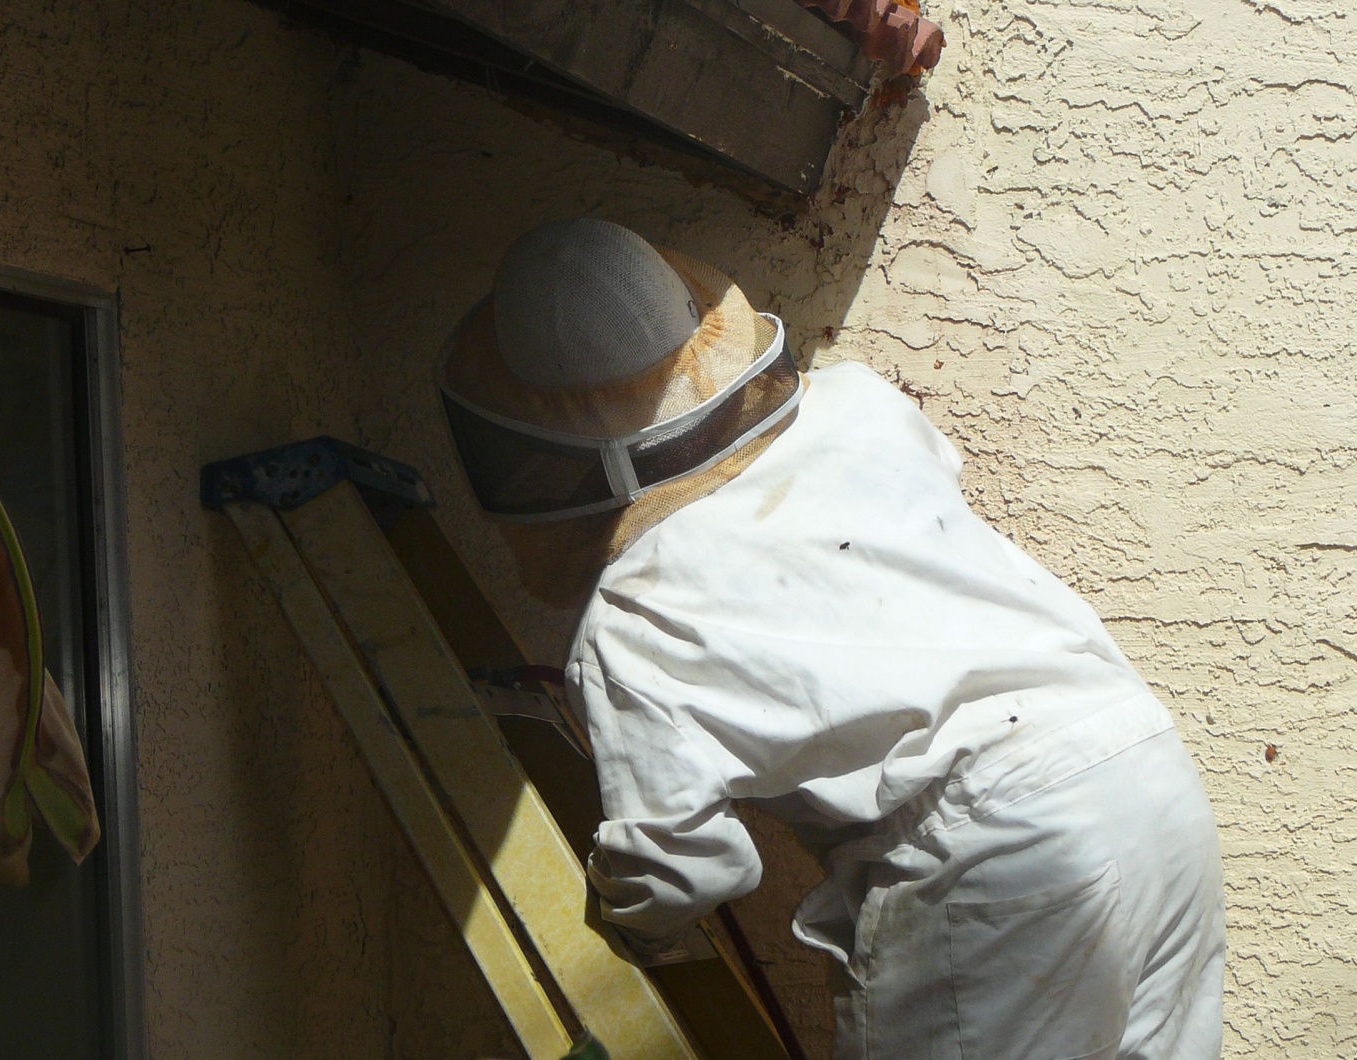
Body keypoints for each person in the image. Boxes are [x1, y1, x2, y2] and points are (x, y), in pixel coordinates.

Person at [439, 218, 1225, 1059]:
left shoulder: (633, 616)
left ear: (538, 449)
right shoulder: (859, 407)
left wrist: (622, 913)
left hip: (1002, 859)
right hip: (1145, 775)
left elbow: (687, 869)